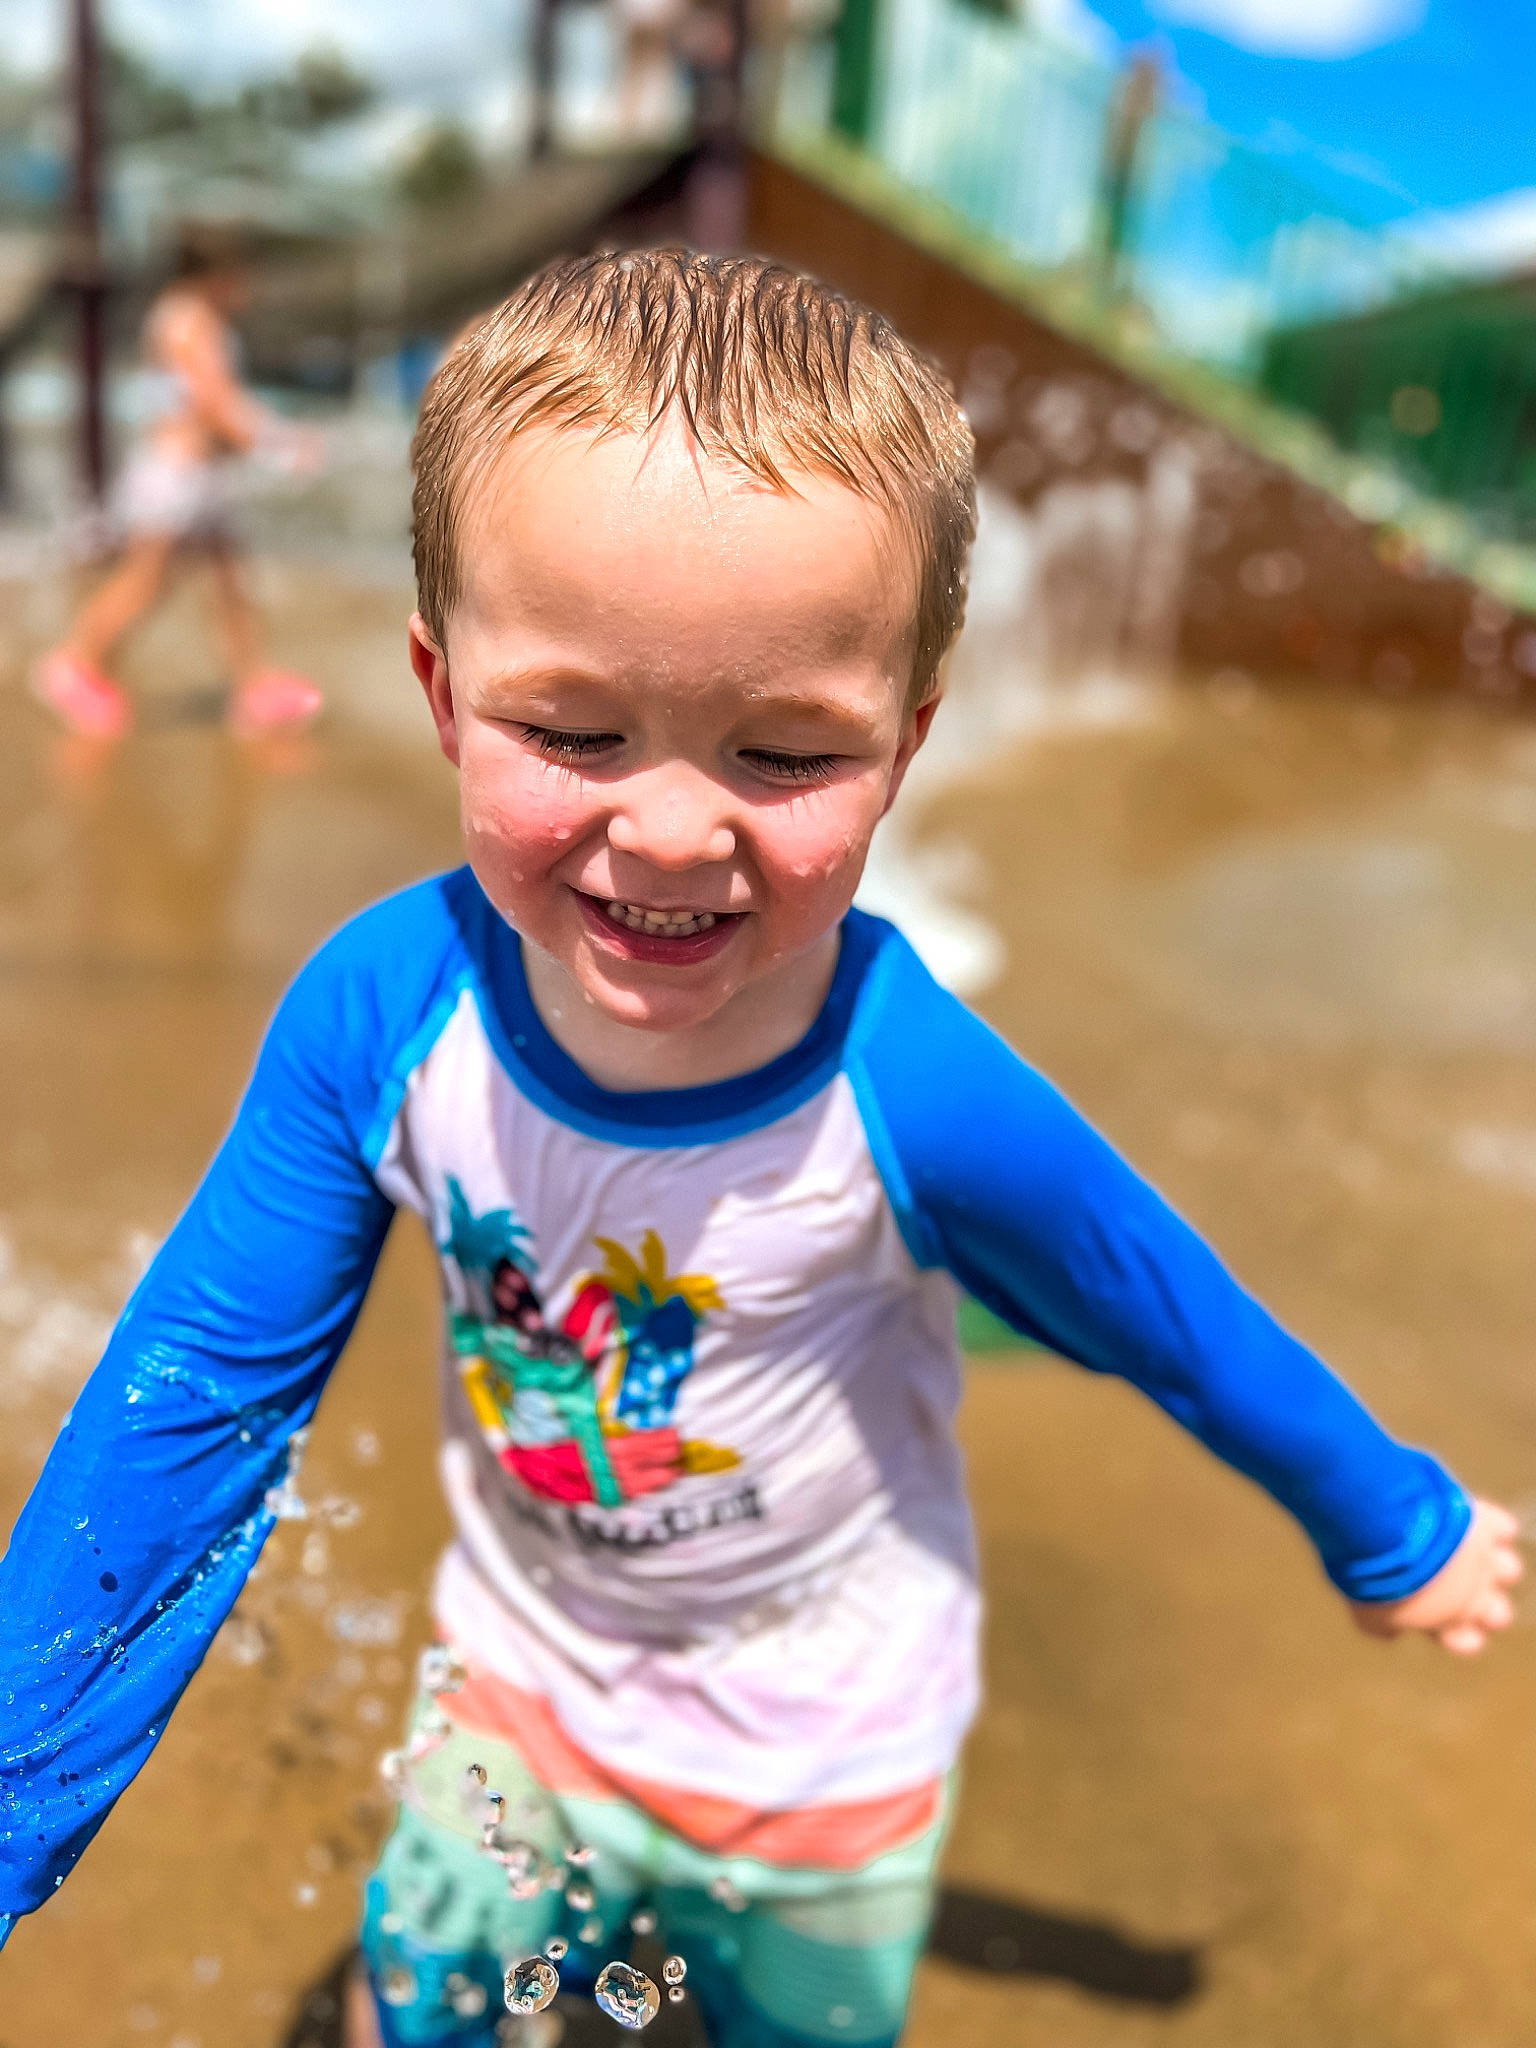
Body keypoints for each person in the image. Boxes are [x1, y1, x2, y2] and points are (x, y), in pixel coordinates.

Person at [0, 252, 1520, 2048]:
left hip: (828, 1749)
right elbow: (191, 1402)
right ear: (439, 689)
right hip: (517, 1682)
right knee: (425, 2008)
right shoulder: (380, 1016)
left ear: (907, 743)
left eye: (785, 751)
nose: (667, 831)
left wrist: (1390, 1519)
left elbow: (1154, 1299)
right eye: (571, 730)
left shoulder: (903, 1079)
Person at [33, 221, 324, 743]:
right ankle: (72, 665)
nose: (246, 287)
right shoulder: (187, 319)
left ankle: (253, 686)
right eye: (239, 274)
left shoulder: (195, 315)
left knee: (230, 580)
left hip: (200, 476)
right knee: (146, 582)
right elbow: (212, 401)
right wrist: (280, 444)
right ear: (215, 273)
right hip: (175, 478)